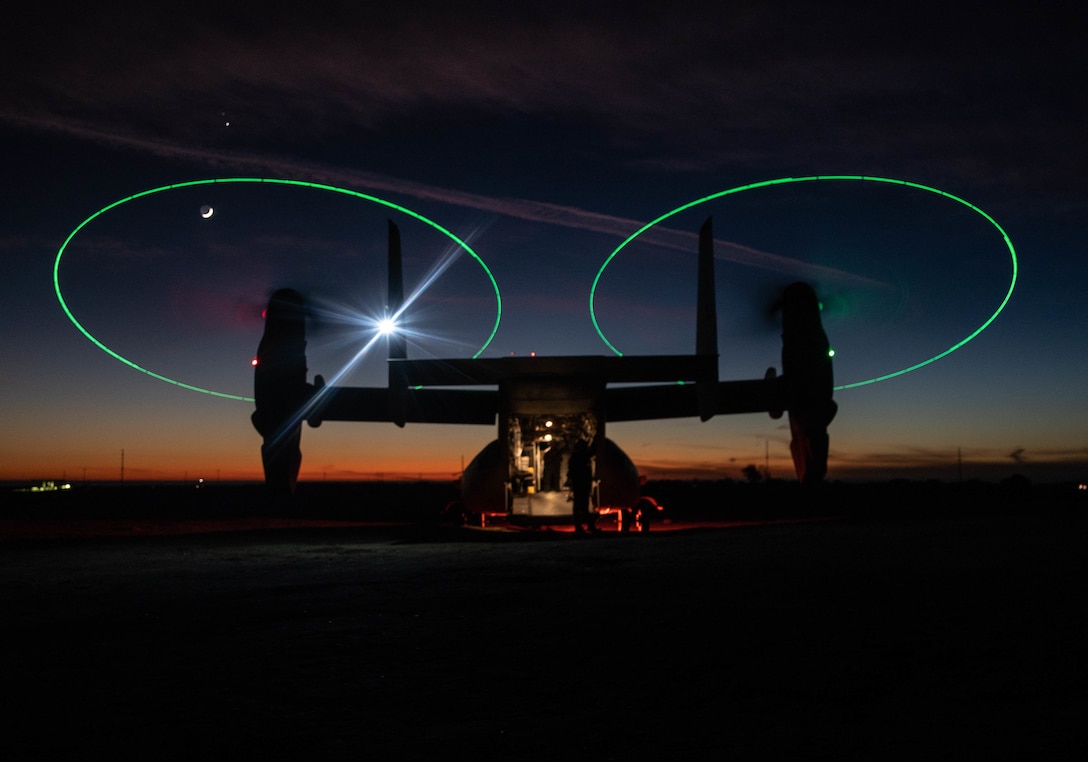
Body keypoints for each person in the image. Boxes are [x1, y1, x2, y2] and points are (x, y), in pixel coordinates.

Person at [566, 439, 595, 534]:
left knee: (579, 506)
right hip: (582, 484)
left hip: (578, 484)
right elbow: (591, 453)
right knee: (583, 506)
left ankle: (581, 526)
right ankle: (587, 526)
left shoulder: (575, 457)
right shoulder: (581, 457)